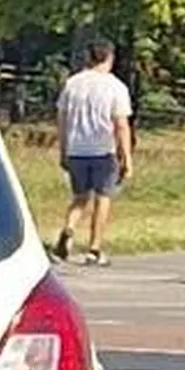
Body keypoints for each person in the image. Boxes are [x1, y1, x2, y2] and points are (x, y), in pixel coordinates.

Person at [52, 37, 133, 266]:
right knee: (102, 198)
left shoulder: (73, 84)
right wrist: (126, 156)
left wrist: (64, 149)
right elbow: (120, 124)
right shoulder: (116, 87)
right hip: (102, 151)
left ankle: (68, 229)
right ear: (110, 58)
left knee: (79, 197)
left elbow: (62, 118)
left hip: (77, 149)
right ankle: (94, 248)